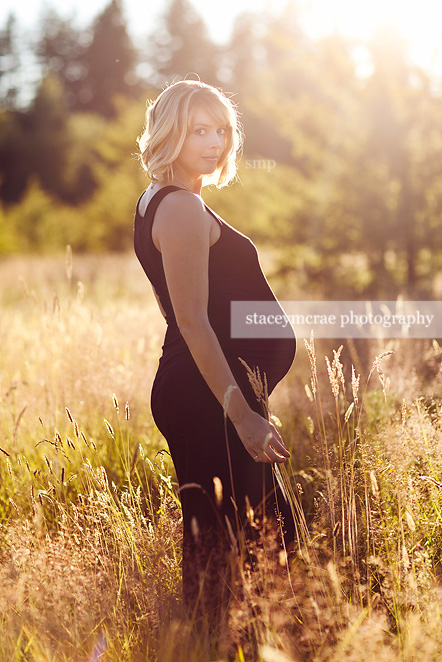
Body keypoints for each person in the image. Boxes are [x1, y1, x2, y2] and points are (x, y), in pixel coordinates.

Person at [133, 80, 296, 626]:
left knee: (236, 543)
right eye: (199, 129)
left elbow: (187, 308)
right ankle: (215, 646)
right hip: (212, 401)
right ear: (170, 131)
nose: (214, 142)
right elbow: (191, 320)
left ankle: (222, 642)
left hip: (209, 391)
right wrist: (243, 414)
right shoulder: (178, 208)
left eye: (222, 130)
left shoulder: (165, 201)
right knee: (242, 547)